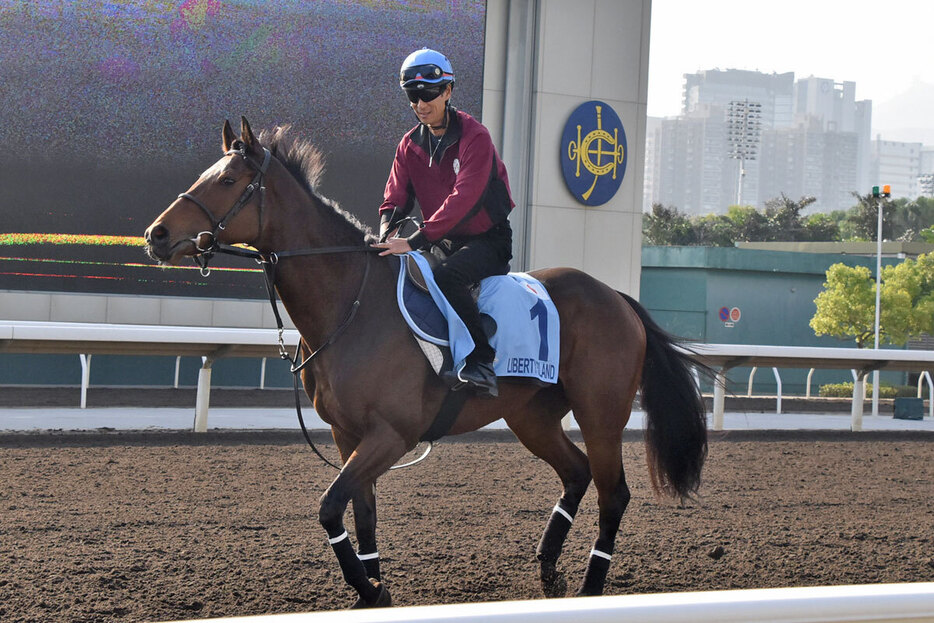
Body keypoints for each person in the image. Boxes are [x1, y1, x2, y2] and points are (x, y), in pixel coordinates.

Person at [371, 47, 514, 398]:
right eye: (412, 95)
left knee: (448, 276)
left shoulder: (475, 137)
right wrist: (385, 236)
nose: (421, 103)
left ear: (448, 91)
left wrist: (417, 240)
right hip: (442, 242)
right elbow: (395, 199)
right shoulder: (409, 145)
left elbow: (464, 200)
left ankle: (481, 361)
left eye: (429, 94)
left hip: (488, 242)